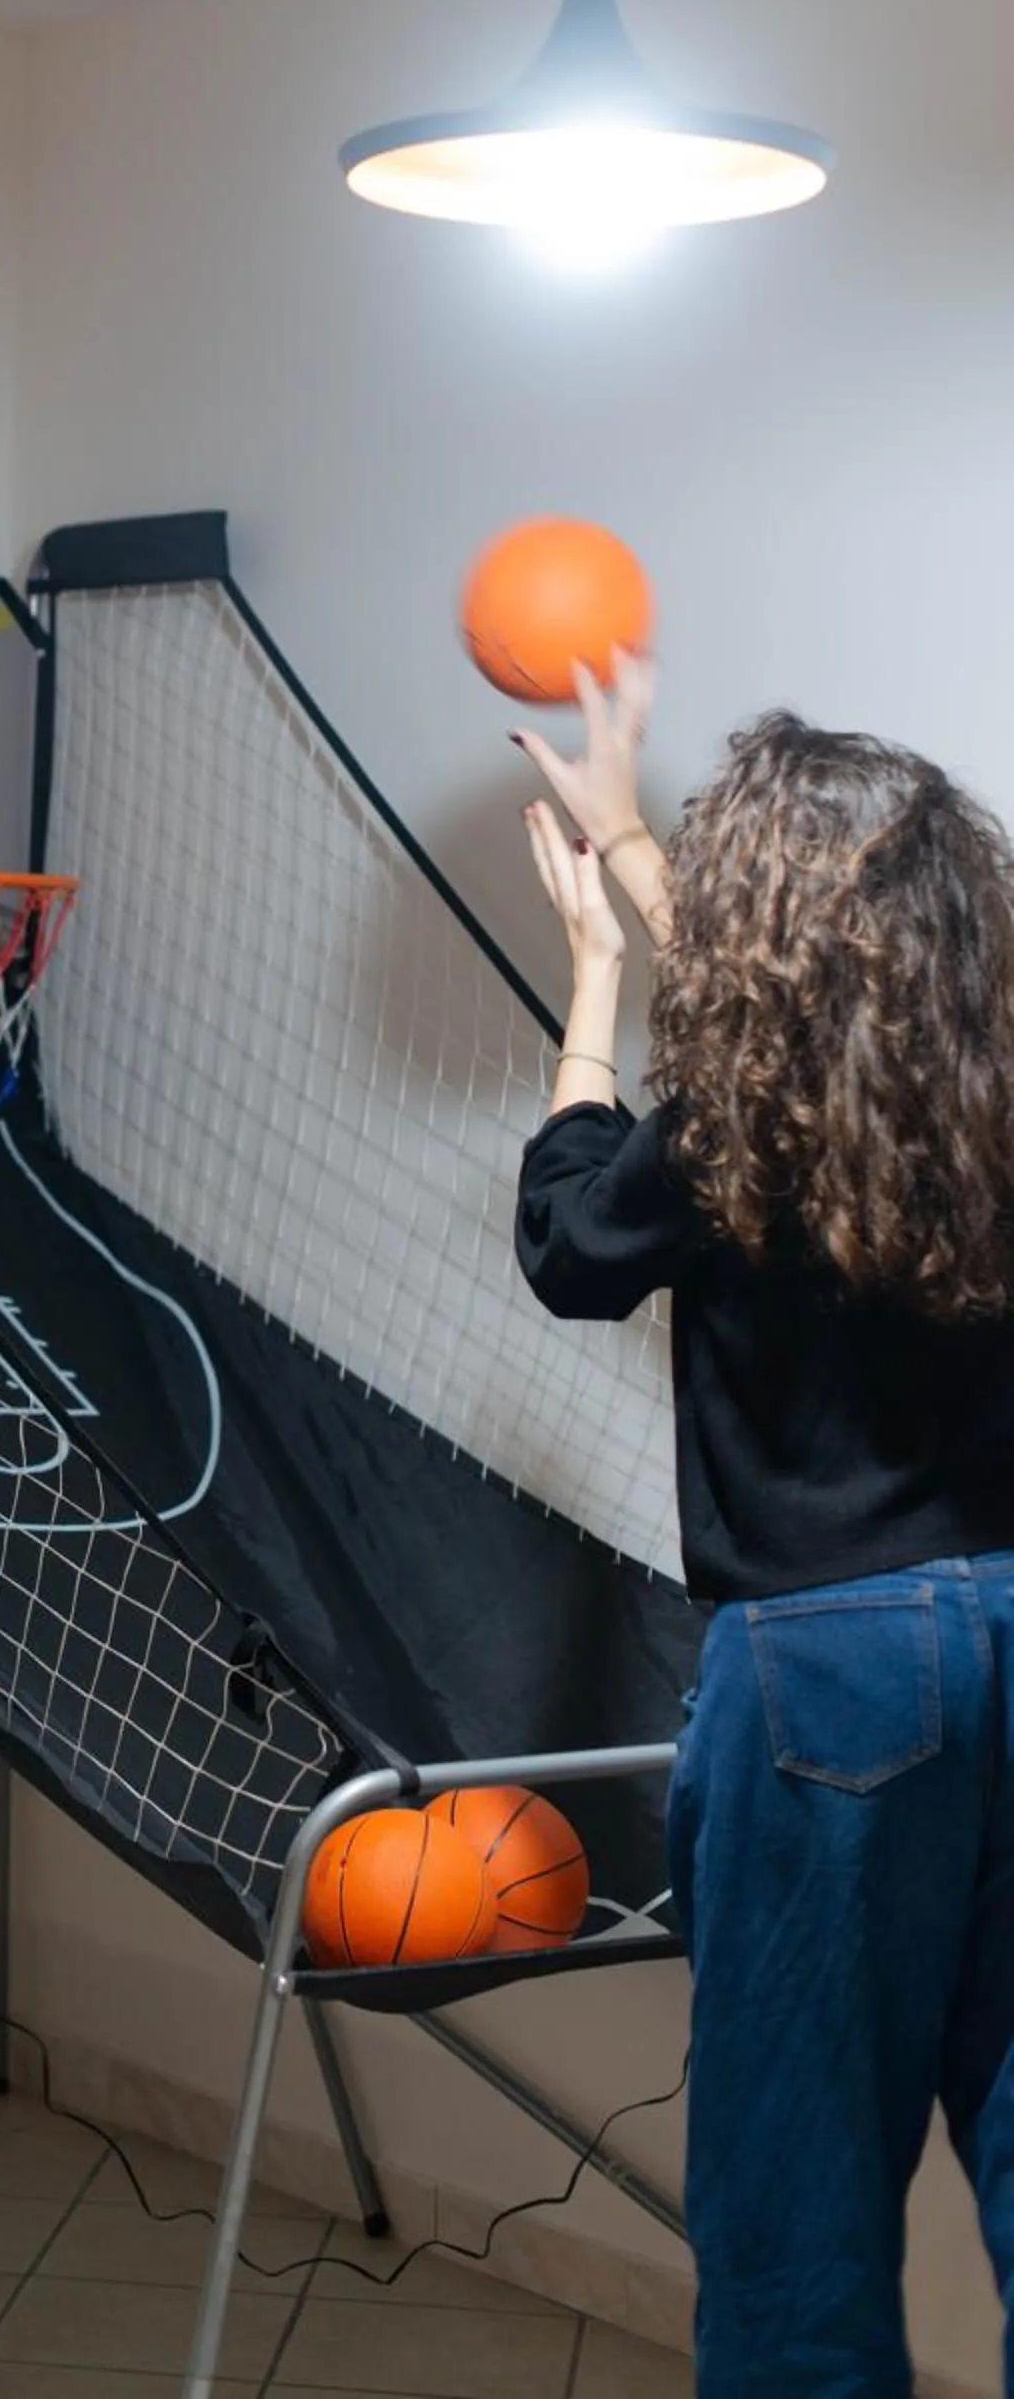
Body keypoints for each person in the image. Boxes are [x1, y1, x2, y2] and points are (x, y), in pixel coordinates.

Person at [511, 660, 1014, 2399]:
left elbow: (572, 1246)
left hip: (832, 1681)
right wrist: (629, 823)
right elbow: (814, 1005)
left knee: (794, 2218)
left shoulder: (733, 1128)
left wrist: (589, 984)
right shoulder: (990, 1098)